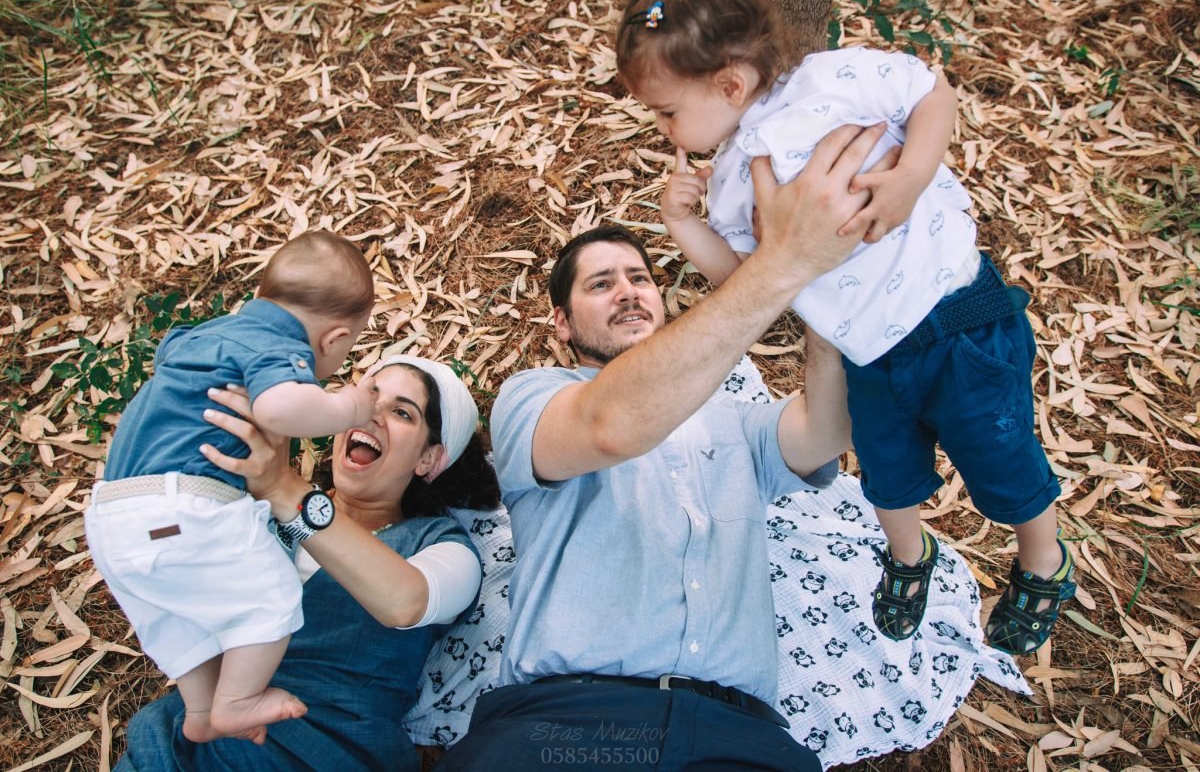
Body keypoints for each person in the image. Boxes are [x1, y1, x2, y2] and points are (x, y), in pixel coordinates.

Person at [615, 0, 1074, 654]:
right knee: (886, 476)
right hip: (868, 352)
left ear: (730, 85)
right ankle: (910, 556)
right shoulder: (733, 181)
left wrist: (911, 177)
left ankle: (1043, 560)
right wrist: (685, 225)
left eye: (666, 112)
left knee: (1001, 458)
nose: (663, 130)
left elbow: (931, 92)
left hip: (956, 317)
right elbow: (751, 281)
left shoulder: (830, 80)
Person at [436, 123, 901, 772]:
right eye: (600, 284)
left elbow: (829, 429)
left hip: (739, 733)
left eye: (639, 277)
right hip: (564, 724)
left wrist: (826, 285)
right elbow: (611, 426)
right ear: (561, 324)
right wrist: (784, 260)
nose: (628, 290)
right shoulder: (532, 398)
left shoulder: (735, 419)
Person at [113, 353, 502, 771]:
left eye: (402, 413)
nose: (373, 413)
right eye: (369, 395)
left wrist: (283, 488)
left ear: (428, 458)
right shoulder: (256, 512)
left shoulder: (439, 544)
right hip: (177, 745)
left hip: (324, 750)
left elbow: (405, 602)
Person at [87, 230, 380, 743]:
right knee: (271, 594)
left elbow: (168, 364)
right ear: (333, 339)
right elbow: (279, 408)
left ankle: (202, 711)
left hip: (112, 518)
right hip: (180, 510)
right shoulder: (279, 348)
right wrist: (348, 406)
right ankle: (238, 701)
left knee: (180, 623)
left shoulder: (207, 334)